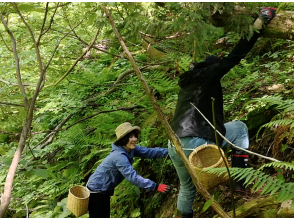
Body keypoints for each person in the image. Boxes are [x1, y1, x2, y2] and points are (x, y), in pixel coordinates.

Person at [168, 7, 276, 218]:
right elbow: (236, 55)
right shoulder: (209, 75)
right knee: (240, 128)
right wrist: (259, 24)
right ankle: (240, 182)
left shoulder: (189, 82)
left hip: (174, 144)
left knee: (188, 187)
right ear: (213, 69)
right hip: (195, 140)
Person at [86, 122, 170, 218]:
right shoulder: (119, 156)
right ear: (123, 139)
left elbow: (148, 152)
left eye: (135, 136)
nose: (135, 139)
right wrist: (155, 186)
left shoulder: (129, 149)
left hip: (103, 190)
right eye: (130, 137)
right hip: (96, 192)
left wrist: (170, 151)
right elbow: (132, 177)